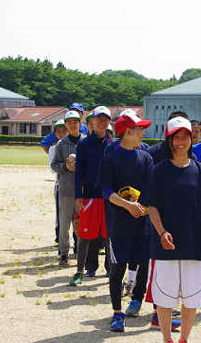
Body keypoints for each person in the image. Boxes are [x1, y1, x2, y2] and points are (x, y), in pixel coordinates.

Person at [144, 116, 201, 343]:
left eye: (185, 137)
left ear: (192, 139)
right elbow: (152, 206)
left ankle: (184, 338)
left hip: (195, 243)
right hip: (165, 244)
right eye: (176, 137)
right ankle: (167, 339)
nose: (181, 142)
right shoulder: (158, 171)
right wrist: (161, 232)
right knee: (164, 298)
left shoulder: (200, 170)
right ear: (169, 140)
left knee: (192, 298)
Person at [99, 111, 153, 332]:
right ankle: (117, 313)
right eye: (139, 129)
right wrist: (127, 205)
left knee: (143, 264)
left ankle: (140, 303)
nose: (143, 133)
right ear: (128, 131)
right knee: (118, 267)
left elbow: (151, 189)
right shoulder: (111, 157)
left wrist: (143, 207)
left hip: (142, 222)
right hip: (119, 224)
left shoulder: (146, 157)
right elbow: (106, 190)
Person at [70, 106, 112, 286]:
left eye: (105, 119)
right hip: (89, 195)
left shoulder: (113, 144)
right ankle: (83, 269)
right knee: (86, 235)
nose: (102, 122)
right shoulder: (84, 144)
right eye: (98, 119)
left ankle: (111, 269)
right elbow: (79, 171)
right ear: (92, 122)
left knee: (109, 235)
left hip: (110, 197)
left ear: (109, 122)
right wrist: (78, 194)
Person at [51, 110, 85, 266]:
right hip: (66, 189)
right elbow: (54, 165)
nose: (72, 125)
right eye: (69, 123)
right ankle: (64, 253)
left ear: (80, 123)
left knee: (82, 222)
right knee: (64, 223)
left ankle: (80, 250)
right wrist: (65, 166)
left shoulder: (86, 142)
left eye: (75, 122)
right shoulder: (61, 144)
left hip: (83, 190)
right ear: (66, 125)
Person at [48, 119, 68, 247]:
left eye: (64, 130)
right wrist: (66, 166)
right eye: (59, 131)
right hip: (60, 183)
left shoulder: (77, 145)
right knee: (60, 213)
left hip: (74, 183)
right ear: (55, 134)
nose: (62, 133)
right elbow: (52, 168)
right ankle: (59, 238)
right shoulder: (53, 148)